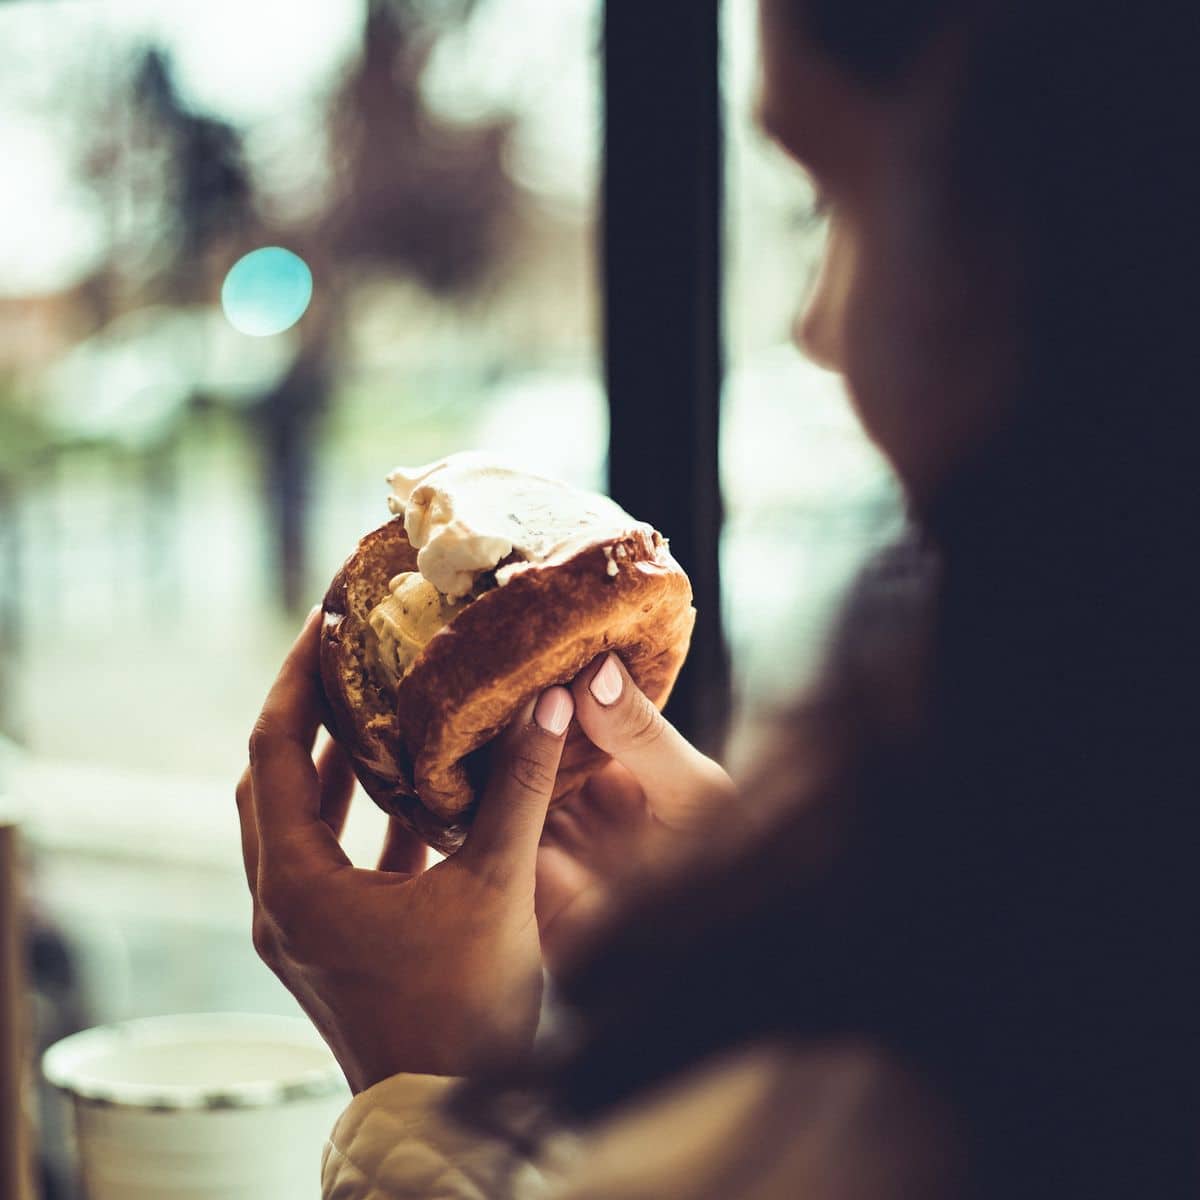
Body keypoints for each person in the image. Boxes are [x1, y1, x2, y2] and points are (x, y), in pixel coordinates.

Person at [236, 0, 1198, 1196]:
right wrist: (784, 943)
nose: (818, 326)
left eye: (830, 194)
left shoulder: (937, 1105)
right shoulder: (1087, 831)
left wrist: (418, 1095)